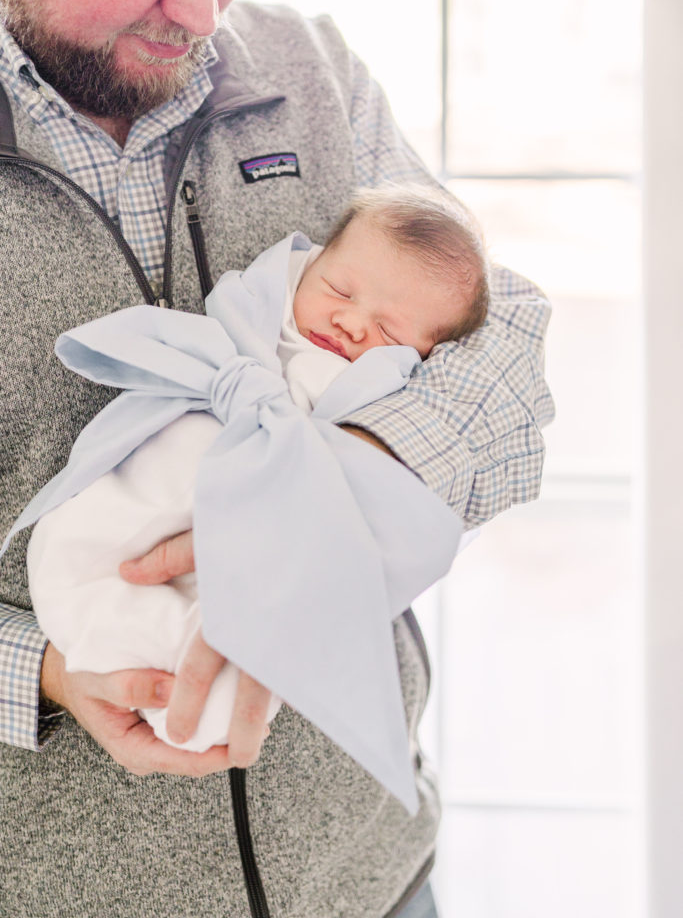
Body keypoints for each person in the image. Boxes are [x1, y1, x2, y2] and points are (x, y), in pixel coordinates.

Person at [0, 0, 554, 915]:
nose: (204, 7)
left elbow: (502, 340)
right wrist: (44, 667)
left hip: (371, 883)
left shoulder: (309, 71)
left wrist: (335, 488)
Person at [25, 182, 490, 757]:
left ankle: (189, 681)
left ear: (425, 355)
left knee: (231, 652)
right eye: (338, 289)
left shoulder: (374, 392)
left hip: (338, 805)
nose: (350, 323)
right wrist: (38, 671)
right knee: (82, 559)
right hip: (153, 481)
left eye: (389, 333)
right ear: (310, 263)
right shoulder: (254, 319)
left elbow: (498, 372)